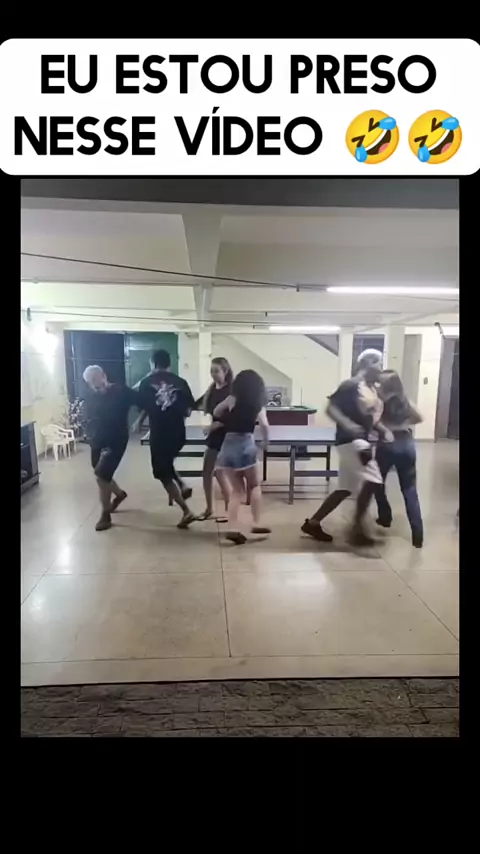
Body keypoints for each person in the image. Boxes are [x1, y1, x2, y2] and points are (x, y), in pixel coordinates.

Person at [301, 349, 392, 546]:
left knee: (344, 489)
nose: (381, 368)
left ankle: (313, 523)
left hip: (359, 441)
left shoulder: (372, 389)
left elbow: (371, 419)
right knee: (375, 480)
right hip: (353, 442)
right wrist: (347, 424)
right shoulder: (351, 384)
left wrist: (383, 430)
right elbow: (331, 408)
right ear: (367, 363)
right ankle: (357, 529)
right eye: (379, 363)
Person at [137, 349, 196, 528]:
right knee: (166, 462)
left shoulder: (146, 382)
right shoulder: (181, 382)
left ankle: (186, 511)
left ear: (153, 363)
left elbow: (144, 406)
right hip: (178, 434)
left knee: (162, 473)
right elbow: (188, 410)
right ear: (169, 363)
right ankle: (182, 484)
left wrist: (139, 422)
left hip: (159, 434)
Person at [214, 369, 270, 545]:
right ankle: (256, 523)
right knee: (254, 485)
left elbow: (216, 411)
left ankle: (232, 527)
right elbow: (265, 425)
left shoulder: (232, 399)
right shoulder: (258, 403)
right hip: (246, 444)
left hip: (228, 445)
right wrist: (265, 442)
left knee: (237, 490)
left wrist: (226, 416)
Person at [83, 365, 140, 532]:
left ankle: (105, 514)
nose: (94, 384)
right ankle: (120, 494)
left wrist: (140, 420)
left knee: (101, 476)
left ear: (103, 375)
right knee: (101, 474)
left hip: (116, 440)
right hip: (97, 441)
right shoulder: (91, 396)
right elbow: (90, 417)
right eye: (90, 382)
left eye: (95, 379)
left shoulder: (121, 391)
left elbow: (142, 400)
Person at [374, 370, 424, 548]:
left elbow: (372, 422)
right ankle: (418, 536)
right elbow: (419, 418)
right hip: (406, 442)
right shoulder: (405, 401)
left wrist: (387, 426)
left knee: (377, 482)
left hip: (386, 444)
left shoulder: (380, 402)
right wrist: (403, 422)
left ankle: (385, 516)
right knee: (409, 489)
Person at [195, 357, 233, 521]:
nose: (213, 374)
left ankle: (230, 510)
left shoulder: (231, 391)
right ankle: (210, 509)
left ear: (225, 371)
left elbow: (235, 416)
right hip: (214, 435)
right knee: (208, 472)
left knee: (219, 472)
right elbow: (196, 404)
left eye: (216, 371)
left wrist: (216, 425)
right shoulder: (212, 389)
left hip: (227, 436)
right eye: (212, 371)